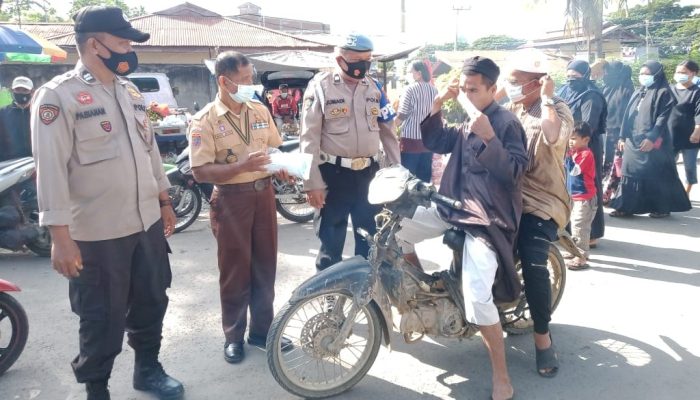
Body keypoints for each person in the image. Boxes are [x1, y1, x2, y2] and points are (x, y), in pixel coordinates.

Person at [31, 6, 183, 400]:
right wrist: (60, 238)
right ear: (94, 45)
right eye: (122, 42)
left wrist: (164, 199)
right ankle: (96, 388)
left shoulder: (129, 91)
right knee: (101, 317)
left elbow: (149, 153)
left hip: (146, 222)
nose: (129, 50)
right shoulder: (57, 96)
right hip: (97, 233)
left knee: (152, 301)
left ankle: (147, 370)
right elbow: (50, 171)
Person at [397, 56, 528, 400]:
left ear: (491, 89)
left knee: (477, 298)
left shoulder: (507, 123)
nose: (467, 95)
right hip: (453, 205)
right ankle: (424, 291)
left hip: (488, 217)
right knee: (397, 230)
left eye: (474, 89)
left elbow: (515, 173)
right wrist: (436, 106)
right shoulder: (468, 119)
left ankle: (502, 376)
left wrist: (490, 141)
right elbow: (438, 141)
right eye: (464, 89)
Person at [189, 51, 292, 365]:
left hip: (264, 197)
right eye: (245, 79)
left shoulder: (259, 109)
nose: (252, 85)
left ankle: (262, 331)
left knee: (265, 267)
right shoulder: (205, 120)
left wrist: (282, 165)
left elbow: (274, 146)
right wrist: (241, 167)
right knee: (235, 272)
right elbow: (200, 171)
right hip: (231, 199)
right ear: (224, 81)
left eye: (252, 78)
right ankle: (233, 336)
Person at [300, 33, 400, 271]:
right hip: (333, 176)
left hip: (369, 175)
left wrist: (397, 174)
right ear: (340, 59)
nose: (363, 65)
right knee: (330, 246)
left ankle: (366, 300)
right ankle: (330, 301)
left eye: (368, 59)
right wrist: (311, 183)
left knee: (370, 244)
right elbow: (308, 138)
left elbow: (388, 132)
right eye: (357, 59)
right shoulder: (320, 87)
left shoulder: (374, 87)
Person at [502, 49, 573, 377]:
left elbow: (552, 135)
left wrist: (545, 97)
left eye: (516, 82)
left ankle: (542, 338)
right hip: (505, 196)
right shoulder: (511, 109)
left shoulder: (557, 109)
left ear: (537, 83)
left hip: (542, 201)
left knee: (533, 259)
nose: (511, 86)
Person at [610, 61, 691, 217]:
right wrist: (622, 136)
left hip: (654, 141)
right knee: (629, 173)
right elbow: (627, 116)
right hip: (632, 140)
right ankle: (626, 207)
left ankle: (661, 208)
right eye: (641, 73)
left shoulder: (664, 93)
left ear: (657, 74)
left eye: (647, 74)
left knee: (656, 175)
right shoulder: (639, 91)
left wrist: (651, 138)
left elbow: (662, 118)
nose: (643, 77)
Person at [557, 60, 607, 246]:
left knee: (586, 188)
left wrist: (572, 140)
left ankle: (591, 234)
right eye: (568, 75)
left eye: (576, 76)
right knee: (569, 187)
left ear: (585, 75)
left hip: (585, 147)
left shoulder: (591, 96)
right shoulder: (563, 91)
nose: (571, 79)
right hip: (566, 145)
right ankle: (569, 232)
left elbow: (589, 126)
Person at [395, 60, 438, 182]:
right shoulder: (434, 90)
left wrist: (391, 129)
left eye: (409, 72)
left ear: (418, 73)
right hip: (428, 141)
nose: (408, 74)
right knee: (424, 178)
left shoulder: (410, 89)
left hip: (410, 141)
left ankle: (408, 202)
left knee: (408, 178)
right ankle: (423, 201)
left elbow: (402, 114)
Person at [565, 122, 597, 271]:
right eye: (569, 139)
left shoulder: (586, 154)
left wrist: (567, 156)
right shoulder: (574, 153)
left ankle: (581, 256)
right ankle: (576, 251)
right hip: (575, 196)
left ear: (586, 140)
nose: (570, 142)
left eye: (574, 138)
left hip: (584, 198)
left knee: (580, 227)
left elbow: (575, 171)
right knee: (575, 225)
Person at [669, 60, 700, 195]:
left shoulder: (696, 92)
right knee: (668, 166)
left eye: (683, 72)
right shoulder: (670, 89)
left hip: (690, 137)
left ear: (693, 73)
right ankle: (672, 191)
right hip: (670, 135)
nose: (679, 74)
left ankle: (686, 194)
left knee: (689, 168)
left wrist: (697, 131)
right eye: (677, 72)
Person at [602, 61, 635, 172]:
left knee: (619, 165)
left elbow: (628, 114)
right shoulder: (607, 88)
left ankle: (619, 188)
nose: (605, 75)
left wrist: (623, 136)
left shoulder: (627, 89)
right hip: (607, 131)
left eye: (607, 72)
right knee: (609, 162)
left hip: (621, 133)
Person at [0, 76, 34, 161]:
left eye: (25, 90)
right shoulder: (2, 113)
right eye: (18, 90)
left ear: (32, 92)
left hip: (34, 162)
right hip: (9, 163)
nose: (21, 93)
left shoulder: (37, 113)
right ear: (12, 91)